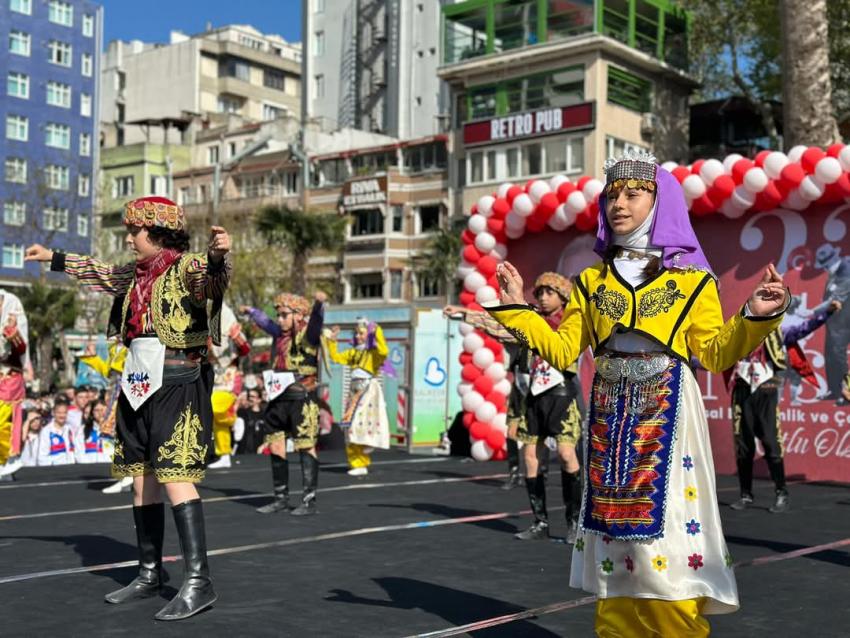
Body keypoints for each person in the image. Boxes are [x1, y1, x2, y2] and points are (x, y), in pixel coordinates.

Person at [486, 151, 790, 635]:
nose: (618, 204)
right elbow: (565, 351)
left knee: (666, 542)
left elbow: (712, 353)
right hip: (611, 417)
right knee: (615, 544)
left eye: (633, 193)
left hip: (668, 416)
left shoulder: (690, 280)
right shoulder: (590, 282)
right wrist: (517, 307)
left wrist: (757, 314)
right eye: (611, 195)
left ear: (660, 200)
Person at [25, 195, 232, 621]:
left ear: (155, 233)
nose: (129, 238)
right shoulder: (132, 274)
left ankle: (199, 581)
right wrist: (53, 257)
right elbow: (98, 273)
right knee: (140, 480)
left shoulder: (186, 266)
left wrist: (215, 258)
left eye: (134, 231)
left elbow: (210, 284)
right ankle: (150, 571)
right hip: (138, 381)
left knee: (175, 476)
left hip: (177, 380)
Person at [448, 273, 585, 543]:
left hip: (562, 394)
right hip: (534, 396)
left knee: (568, 455)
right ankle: (540, 522)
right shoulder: (530, 319)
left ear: (563, 297)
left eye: (550, 293)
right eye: (541, 293)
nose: (543, 298)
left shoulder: (571, 321)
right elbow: (501, 327)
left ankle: (573, 523)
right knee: (531, 456)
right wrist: (466, 314)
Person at [728, 299, 841, 513]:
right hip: (742, 392)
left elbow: (804, 328)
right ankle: (746, 495)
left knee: (772, 443)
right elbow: (712, 355)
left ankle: (781, 493)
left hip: (766, 390)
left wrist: (826, 313)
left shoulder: (778, 333)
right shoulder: (737, 335)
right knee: (743, 447)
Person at [241, 291, 326, 515]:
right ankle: (281, 497)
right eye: (278, 315)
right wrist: (251, 311)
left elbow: (317, 323)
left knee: (306, 445)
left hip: (301, 398)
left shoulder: (308, 335)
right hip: (278, 397)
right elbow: (265, 322)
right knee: (276, 444)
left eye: (284, 315)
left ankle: (309, 500)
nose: (279, 319)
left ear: (298, 315)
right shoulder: (279, 334)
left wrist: (318, 305)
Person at [326, 318, 390, 476]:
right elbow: (335, 357)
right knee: (349, 427)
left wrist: (376, 329)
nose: (358, 336)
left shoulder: (373, 353)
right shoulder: (353, 352)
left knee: (359, 424)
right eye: (356, 333)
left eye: (361, 333)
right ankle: (357, 462)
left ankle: (368, 443)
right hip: (354, 391)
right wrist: (332, 341)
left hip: (367, 390)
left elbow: (384, 351)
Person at [813, 243, 850, 403]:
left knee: (839, 356)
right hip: (834, 321)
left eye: (825, 265)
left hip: (844, 322)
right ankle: (834, 391)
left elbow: (834, 300)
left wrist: (811, 312)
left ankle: (846, 394)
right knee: (829, 355)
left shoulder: (846, 273)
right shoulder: (834, 270)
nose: (824, 269)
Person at [0, 287, 29, 480]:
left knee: (5, 420)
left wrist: (11, 330)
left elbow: (20, 347)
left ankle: (5, 461)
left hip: (9, 379)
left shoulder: (13, 325)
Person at [73, 399, 112, 464]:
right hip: (88, 469)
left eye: (102, 410)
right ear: (92, 412)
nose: (100, 413)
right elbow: (78, 452)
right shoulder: (83, 430)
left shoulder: (113, 430)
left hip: (107, 469)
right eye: (97, 410)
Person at [37, 401, 75, 466]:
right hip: (54, 470)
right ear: (53, 413)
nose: (62, 415)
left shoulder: (70, 429)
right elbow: (42, 457)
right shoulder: (46, 431)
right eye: (59, 413)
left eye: (64, 413)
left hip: (70, 468)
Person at [236, 387, 267, 455]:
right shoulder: (243, 412)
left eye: (252, 396)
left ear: (259, 399)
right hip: (243, 452)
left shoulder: (265, 415)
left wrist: (264, 446)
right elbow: (232, 414)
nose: (250, 398)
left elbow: (271, 433)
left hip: (260, 452)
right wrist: (239, 399)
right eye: (249, 396)